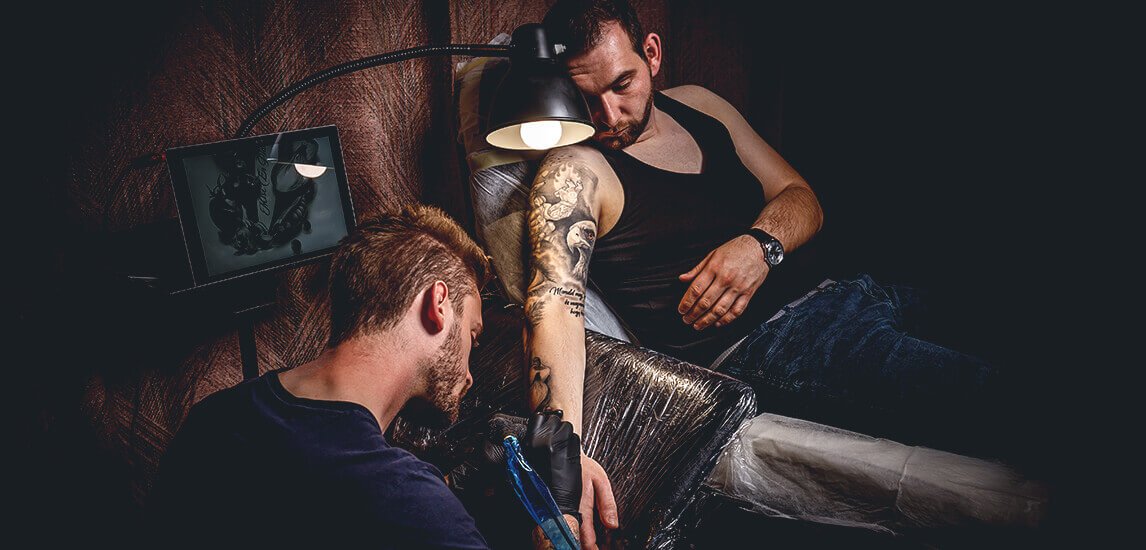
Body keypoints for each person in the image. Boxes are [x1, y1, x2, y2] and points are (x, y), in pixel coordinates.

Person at [525, 1, 1018, 546]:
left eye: (623, 84)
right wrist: (560, 473)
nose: (608, 114)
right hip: (776, 346)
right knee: (999, 398)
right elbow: (554, 309)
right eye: (586, 97)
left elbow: (802, 198)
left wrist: (759, 247)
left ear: (652, 54)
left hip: (853, 291)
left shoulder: (698, 105)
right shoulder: (574, 172)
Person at [147, 204, 579, 548]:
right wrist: (558, 516)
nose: (469, 374)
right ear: (438, 305)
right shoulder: (405, 499)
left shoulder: (213, 418)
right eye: (473, 335)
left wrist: (453, 487)